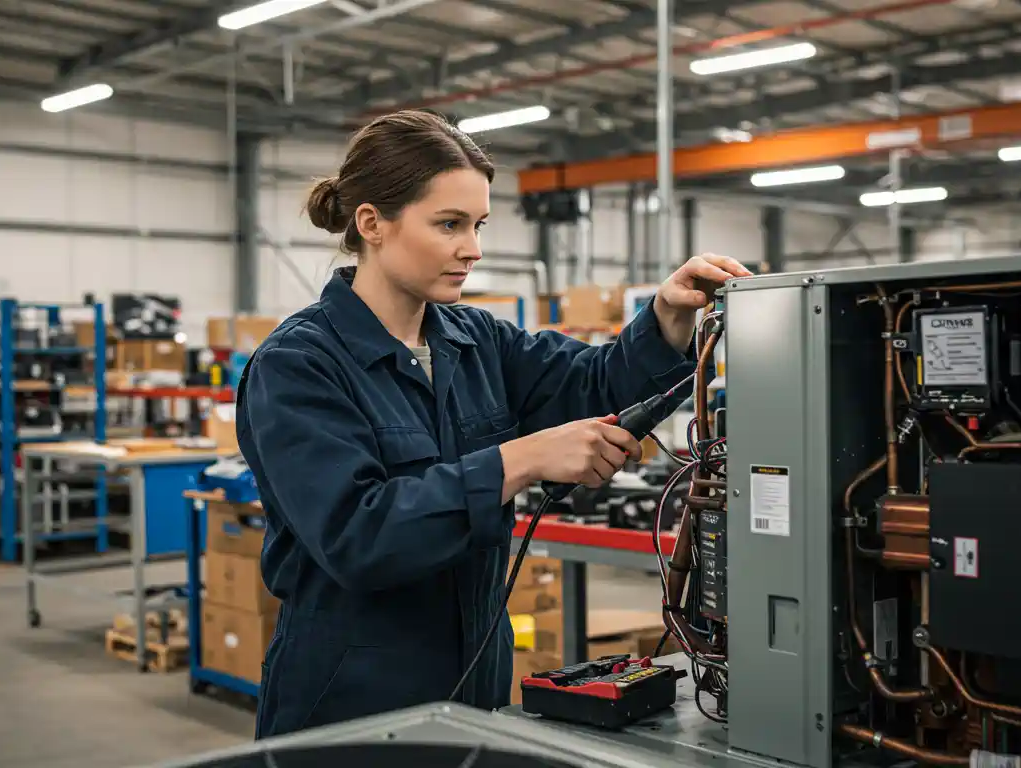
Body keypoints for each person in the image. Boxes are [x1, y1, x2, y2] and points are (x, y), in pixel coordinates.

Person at [236, 109, 750, 739]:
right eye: (449, 224)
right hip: (351, 697)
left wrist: (667, 318)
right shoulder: (298, 364)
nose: (472, 249)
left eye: (478, 225)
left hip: (477, 679)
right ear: (372, 223)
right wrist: (522, 459)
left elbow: (591, 385)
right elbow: (356, 535)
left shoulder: (475, 338)